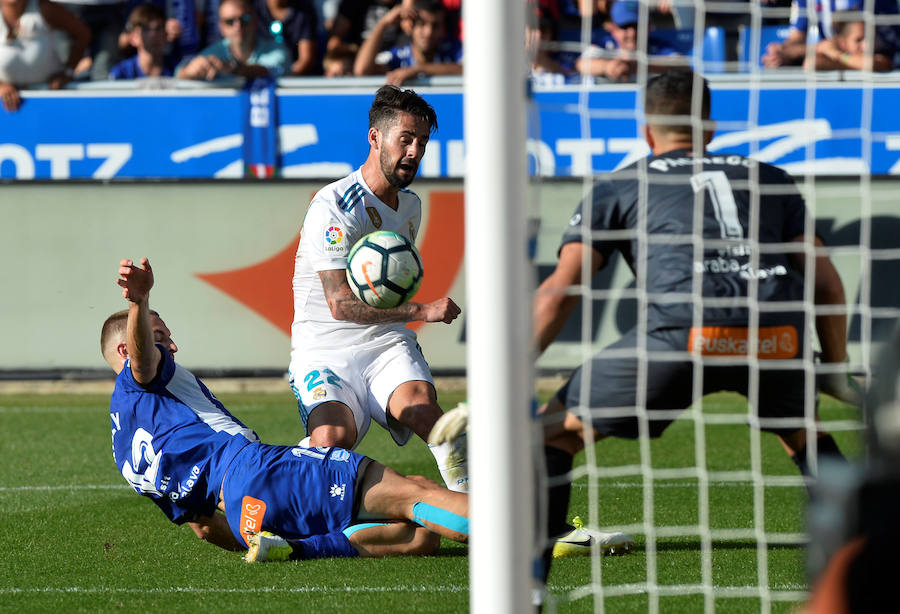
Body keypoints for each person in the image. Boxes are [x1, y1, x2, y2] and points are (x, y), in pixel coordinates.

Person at [102, 256, 471, 562]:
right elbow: (143, 363)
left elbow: (202, 527)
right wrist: (139, 302)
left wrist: (253, 535)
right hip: (260, 472)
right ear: (127, 351)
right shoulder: (142, 376)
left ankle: (297, 548)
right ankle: (518, 533)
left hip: (243, 512)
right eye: (162, 338)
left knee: (420, 536)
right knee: (416, 498)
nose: (172, 347)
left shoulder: (124, 455)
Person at [289, 85, 469, 493]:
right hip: (324, 347)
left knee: (431, 419)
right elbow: (340, 304)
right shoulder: (333, 207)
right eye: (405, 139)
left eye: (421, 142)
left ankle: (478, 511)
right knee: (332, 444)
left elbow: (387, 287)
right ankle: (290, 477)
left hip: (385, 344)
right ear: (375, 138)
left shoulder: (410, 207)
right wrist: (423, 312)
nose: (414, 151)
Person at [0, 0, 90, 112]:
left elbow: (82, 34)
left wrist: (68, 72)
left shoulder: (46, 8)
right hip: (8, 109)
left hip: (52, 100)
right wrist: (1, 86)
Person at [763, 0, 900, 68]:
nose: (865, 44)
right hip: (837, 58)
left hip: (882, 60)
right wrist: (781, 54)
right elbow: (797, 37)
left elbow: (872, 58)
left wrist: (834, 53)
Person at [353, 0, 461, 86]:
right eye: (421, 24)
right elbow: (362, 70)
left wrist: (418, 69)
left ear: (443, 29)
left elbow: (470, 69)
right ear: (410, 27)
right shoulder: (398, 56)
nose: (429, 32)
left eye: (435, 25)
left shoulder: (453, 49)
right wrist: (383, 23)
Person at [571, 0, 681, 83]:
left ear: (649, 27)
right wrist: (607, 66)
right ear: (612, 28)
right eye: (625, 26)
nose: (632, 33)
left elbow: (680, 65)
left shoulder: (659, 46)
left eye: (637, 26)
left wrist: (639, 66)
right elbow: (580, 64)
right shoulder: (605, 44)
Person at [176, 0, 288, 81]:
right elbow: (179, 73)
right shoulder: (214, 52)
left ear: (255, 21)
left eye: (244, 19)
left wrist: (234, 68)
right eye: (230, 21)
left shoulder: (276, 49)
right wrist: (189, 72)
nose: (238, 26)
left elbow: (272, 70)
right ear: (221, 28)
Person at [109, 3, 180, 78]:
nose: (153, 35)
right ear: (133, 38)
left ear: (166, 34)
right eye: (146, 29)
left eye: (158, 28)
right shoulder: (120, 73)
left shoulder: (177, 68)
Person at [802, 13, 892, 72]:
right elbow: (811, 63)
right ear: (842, 42)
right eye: (859, 40)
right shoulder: (828, 54)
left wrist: (838, 56)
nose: (866, 45)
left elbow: (871, 64)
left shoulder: (881, 57)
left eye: (870, 38)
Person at [252, 0, 319, 75]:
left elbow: (306, 59)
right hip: (258, 74)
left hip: (291, 77)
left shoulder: (304, 11)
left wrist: (285, 80)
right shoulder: (253, 7)